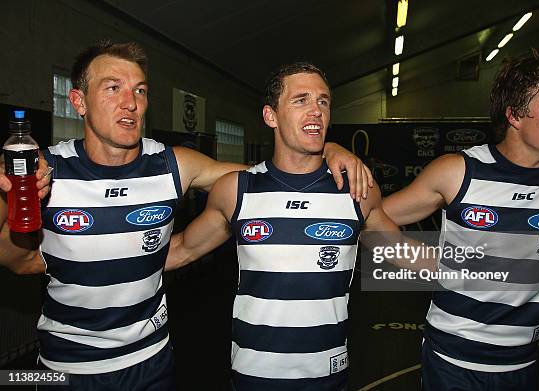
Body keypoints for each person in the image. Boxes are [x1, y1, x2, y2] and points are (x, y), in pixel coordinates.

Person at [0, 41, 372, 390]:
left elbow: (267, 180)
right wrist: (6, 200)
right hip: (65, 367)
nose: (130, 102)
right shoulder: (44, 171)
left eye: (140, 91)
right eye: (113, 88)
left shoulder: (173, 165)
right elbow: (22, 261)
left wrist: (327, 151)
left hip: (151, 360)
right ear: (78, 101)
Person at [382, 54, 539, 390]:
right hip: (451, 363)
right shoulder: (459, 172)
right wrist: (433, 266)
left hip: (522, 361)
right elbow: (373, 219)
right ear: (516, 114)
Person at [166, 62, 399, 390]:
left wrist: (489, 267)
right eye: (301, 100)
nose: (316, 110)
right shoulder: (237, 190)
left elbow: (403, 252)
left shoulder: (356, 191)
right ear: (270, 116)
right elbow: (180, 251)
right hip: (252, 377)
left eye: (323, 101)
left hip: (328, 377)